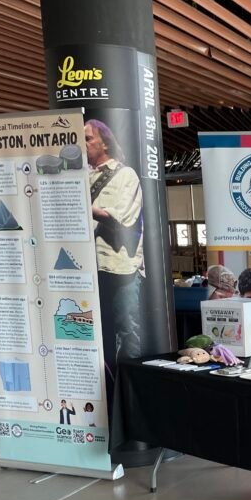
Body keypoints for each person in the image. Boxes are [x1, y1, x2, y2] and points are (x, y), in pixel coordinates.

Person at [85, 119, 143, 372]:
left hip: (120, 268)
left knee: (127, 329)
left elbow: (124, 219)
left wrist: (81, 206)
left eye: (87, 139)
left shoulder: (125, 175)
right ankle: (104, 389)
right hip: (88, 268)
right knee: (96, 329)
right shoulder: (80, 177)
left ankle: (127, 385)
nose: (82, 144)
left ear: (105, 142)